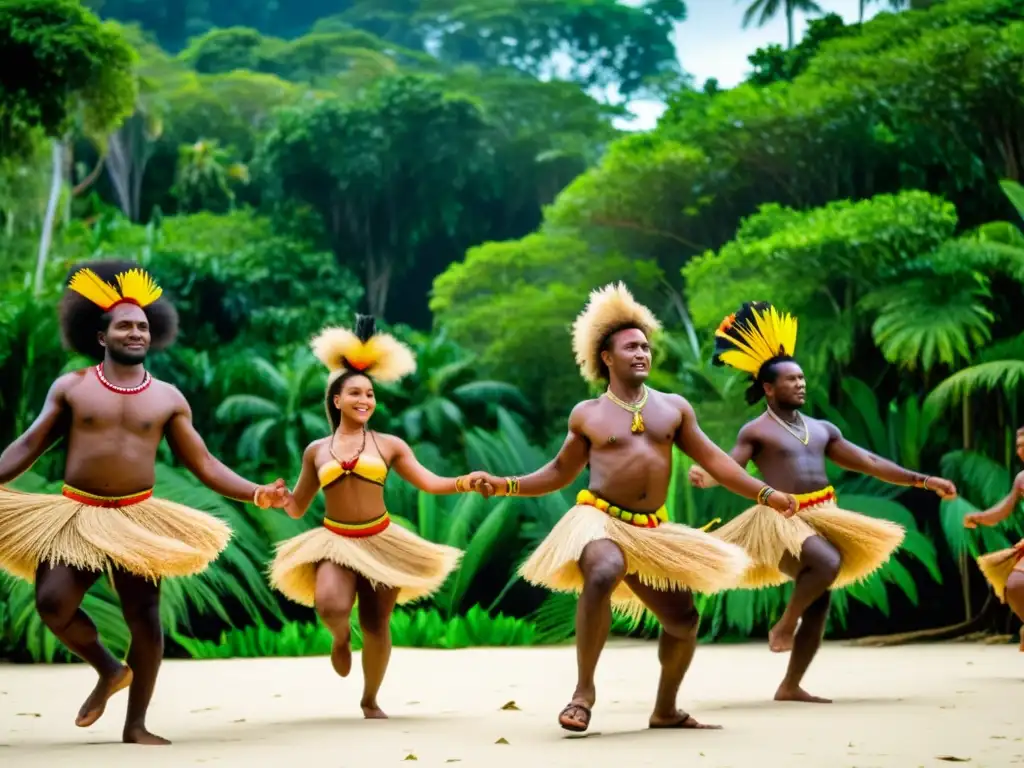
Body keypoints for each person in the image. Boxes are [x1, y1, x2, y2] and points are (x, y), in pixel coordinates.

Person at [468, 282, 797, 734]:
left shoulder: (673, 409)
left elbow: (717, 461)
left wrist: (766, 493)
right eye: (631, 347)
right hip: (598, 518)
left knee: (683, 621)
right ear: (606, 357)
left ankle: (666, 710)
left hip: (651, 530)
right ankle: (583, 694)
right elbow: (558, 474)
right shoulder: (588, 414)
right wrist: (505, 484)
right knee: (603, 569)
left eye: (645, 346)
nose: (642, 353)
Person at [0, 259, 290, 745]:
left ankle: (136, 725)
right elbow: (28, 446)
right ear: (101, 335)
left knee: (145, 619)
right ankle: (109, 669)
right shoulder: (72, 387)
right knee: (53, 604)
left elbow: (204, 464)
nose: (136, 332)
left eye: (142, 326)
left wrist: (257, 492)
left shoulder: (168, 398)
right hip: (78, 512)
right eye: (125, 326)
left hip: (138, 517)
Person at [689, 301, 957, 703]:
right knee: (827, 563)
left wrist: (922, 480)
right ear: (768, 387)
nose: (800, 384)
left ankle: (791, 684)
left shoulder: (821, 429)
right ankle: (784, 624)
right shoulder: (756, 430)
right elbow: (730, 467)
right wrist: (709, 477)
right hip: (779, 519)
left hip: (823, 513)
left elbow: (869, 462)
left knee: (821, 598)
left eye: (801, 378)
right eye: (791, 379)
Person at [270, 315, 491, 719]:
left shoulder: (390, 445)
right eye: (354, 393)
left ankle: (370, 697)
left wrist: (465, 482)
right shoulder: (317, 450)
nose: (364, 400)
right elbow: (299, 505)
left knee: (376, 624)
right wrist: (276, 499)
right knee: (331, 605)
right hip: (335, 540)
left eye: (369, 394)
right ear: (337, 400)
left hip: (382, 540)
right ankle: (339, 639)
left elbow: (429, 482)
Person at [964, 474, 1024, 650]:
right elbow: (1004, 509)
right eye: (1019, 445)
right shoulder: (1021, 478)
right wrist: (981, 517)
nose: (1021, 450)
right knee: (1016, 585)